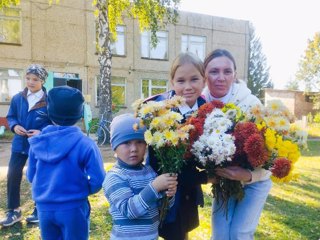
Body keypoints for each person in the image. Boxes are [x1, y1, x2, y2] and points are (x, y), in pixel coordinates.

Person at [202, 48, 272, 240]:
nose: (221, 77)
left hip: (256, 180)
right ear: (204, 75)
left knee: (240, 233)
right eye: (214, 71)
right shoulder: (200, 104)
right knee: (221, 235)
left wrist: (248, 175)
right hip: (224, 181)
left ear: (235, 74)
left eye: (227, 71)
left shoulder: (251, 104)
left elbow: (274, 157)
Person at [26, 86, 106, 240]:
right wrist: (81, 191)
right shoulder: (86, 144)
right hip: (73, 208)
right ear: (79, 113)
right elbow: (98, 179)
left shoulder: (37, 142)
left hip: (44, 208)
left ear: (50, 112)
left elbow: (31, 176)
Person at [146, 52, 209, 240]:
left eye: (194, 79)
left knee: (183, 232)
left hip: (188, 192)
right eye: (181, 81)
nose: (188, 87)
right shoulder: (162, 113)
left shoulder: (208, 110)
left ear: (204, 81)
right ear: (172, 82)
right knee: (170, 232)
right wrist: (206, 177)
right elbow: (157, 161)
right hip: (167, 189)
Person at [103, 113, 178, 240]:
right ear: (114, 147)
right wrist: (154, 187)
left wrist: (169, 195)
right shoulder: (114, 177)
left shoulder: (149, 172)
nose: (134, 149)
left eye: (139, 142)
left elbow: (161, 206)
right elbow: (130, 211)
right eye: (126, 143)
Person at [0, 64, 52, 227]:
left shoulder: (49, 100)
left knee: (39, 176)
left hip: (38, 146)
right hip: (19, 144)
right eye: (28, 78)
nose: (30, 82)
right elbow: (11, 116)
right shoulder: (17, 98)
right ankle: (13, 210)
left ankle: (39, 209)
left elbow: (53, 122)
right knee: (13, 175)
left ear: (42, 81)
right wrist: (15, 126)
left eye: (35, 79)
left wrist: (41, 132)